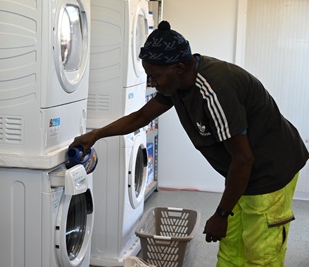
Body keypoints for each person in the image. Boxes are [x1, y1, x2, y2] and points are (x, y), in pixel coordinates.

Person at [69, 20, 309, 266]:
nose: (152, 83)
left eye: (155, 76)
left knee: (261, 254)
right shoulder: (177, 84)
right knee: (231, 247)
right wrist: (96, 134)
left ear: (179, 67)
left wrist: (221, 214)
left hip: (271, 170)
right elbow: (141, 117)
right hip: (242, 171)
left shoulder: (215, 90)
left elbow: (244, 158)